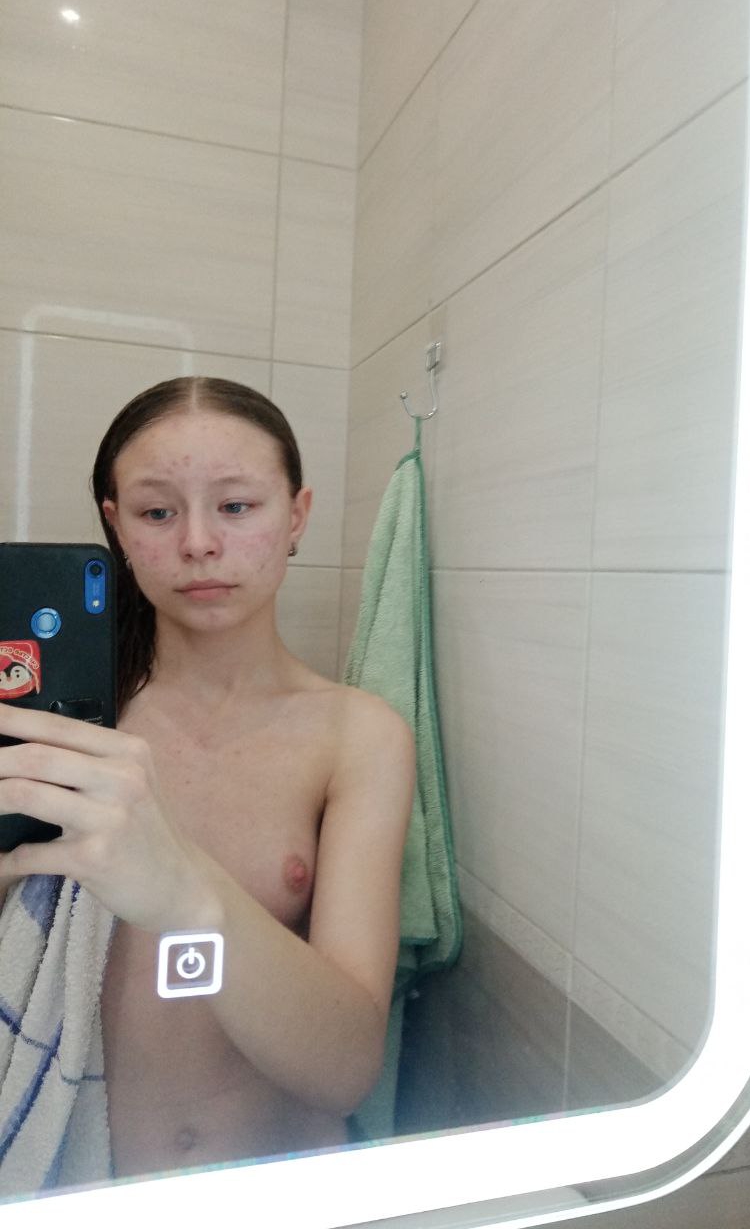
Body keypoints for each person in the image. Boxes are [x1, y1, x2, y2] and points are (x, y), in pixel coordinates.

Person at [0, 376, 414, 1179]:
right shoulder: (61, 728)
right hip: (74, 1195)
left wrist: (184, 893)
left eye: (236, 506)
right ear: (116, 528)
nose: (198, 543)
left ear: (296, 515)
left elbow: (345, 1069)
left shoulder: (356, 737)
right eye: (158, 512)